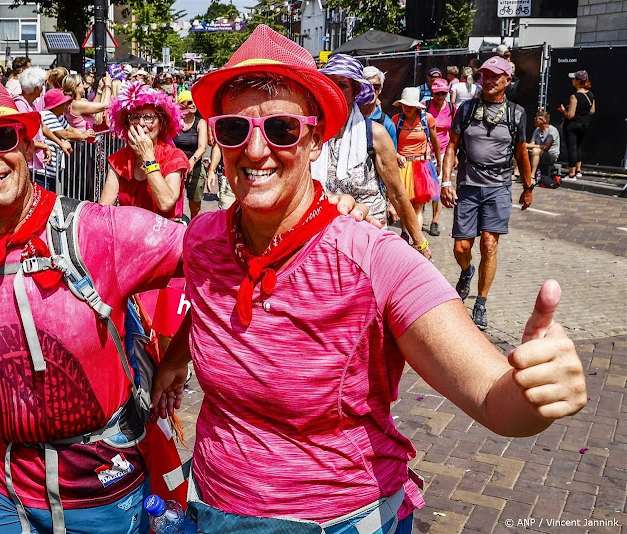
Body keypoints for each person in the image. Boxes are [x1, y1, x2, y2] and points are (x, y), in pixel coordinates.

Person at [151, 25, 587, 534]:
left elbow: (492, 397)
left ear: (316, 141)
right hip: (213, 508)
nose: (254, 150)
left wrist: (534, 394)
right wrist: (173, 362)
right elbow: (209, 308)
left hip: (335, 519)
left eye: (282, 130)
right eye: (232, 130)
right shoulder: (203, 240)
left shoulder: (373, 258)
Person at [0, 71, 191, 534]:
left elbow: (223, 257)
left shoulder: (99, 231)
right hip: (0, 489)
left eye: (1, 138)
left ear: (27, 145)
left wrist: (177, 359)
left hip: (102, 488)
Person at [441, 55, 532, 330]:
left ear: (507, 80)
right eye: (485, 75)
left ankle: (480, 304)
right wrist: (446, 182)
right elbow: (451, 147)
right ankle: (466, 271)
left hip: (498, 188)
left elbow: (521, 153)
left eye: (495, 76)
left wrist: (528, 187)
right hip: (468, 186)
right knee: (461, 247)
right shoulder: (467, 109)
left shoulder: (517, 114)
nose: (489, 80)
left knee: (489, 245)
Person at [314, 53, 430, 257]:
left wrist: (419, 242)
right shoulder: (313, 133)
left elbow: (397, 193)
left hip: (369, 236)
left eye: (342, 85)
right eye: (329, 84)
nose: (334, 91)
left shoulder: (374, 134)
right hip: (325, 238)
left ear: (356, 91)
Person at [99, 81, 188, 220]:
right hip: (129, 234)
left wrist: (147, 156)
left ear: (161, 123)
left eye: (148, 117)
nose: (141, 124)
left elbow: (166, 203)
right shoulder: (119, 159)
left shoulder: (174, 156)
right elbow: (104, 208)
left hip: (165, 235)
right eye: (135, 117)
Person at [391, 87, 441, 244]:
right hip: (402, 167)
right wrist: (396, 155)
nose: (406, 108)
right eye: (404, 105)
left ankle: (417, 241)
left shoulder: (428, 119)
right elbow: (391, 143)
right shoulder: (396, 120)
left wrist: (439, 162)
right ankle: (406, 232)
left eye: (410, 105)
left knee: (418, 206)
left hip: (422, 166)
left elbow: (435, 142)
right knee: (405, 204)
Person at [38, 88, 95, 191]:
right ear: (56, 106)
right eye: (63, 103)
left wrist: (87, 135)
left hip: (52, 169)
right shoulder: (46, 115)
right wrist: (82, 136)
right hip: (44, 169)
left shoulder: (58, 116)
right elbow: (63, 134)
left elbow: (70, 129)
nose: (65, 106)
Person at [423, 78, 457, 237]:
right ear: (432, 92)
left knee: (438, 187)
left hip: (444, 151)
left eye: (444, 93)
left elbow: (455, 133)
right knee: (423, 185)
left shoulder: (451, 108)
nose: (440, 96)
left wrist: (454, 154)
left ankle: (435, 220)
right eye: (437, 93)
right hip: (424, 151)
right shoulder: (425, 106)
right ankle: (419, 212)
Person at [171, 90, 208, 218]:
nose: (193, 105)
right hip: (175, 168)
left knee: (195, 206)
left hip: (195, 167)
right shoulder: (175, 121)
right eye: (190, 102)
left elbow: (202, 147)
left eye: (195, 102)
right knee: (173, 202)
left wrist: (191, 161)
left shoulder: (200, 122)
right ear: (182, 105)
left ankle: (195, 231)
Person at [14, 67, 54, 176]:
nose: (43, 88)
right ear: (36, 88)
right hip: (29, 164)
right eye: (42, 85)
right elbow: (24, 137)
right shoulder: (21, 106)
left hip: (34, 163)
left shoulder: (30, 104)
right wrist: (44, 146)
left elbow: (42, 126)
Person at [559, 70, 595, 181]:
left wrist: (563, 110)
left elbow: (570, 115)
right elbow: (592, 111)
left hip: (573, 125)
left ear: (578, 81)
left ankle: (571, 173)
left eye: (574, 79)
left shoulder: (574, 96)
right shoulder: (590, 94)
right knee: (578, 146)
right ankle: (578, 170)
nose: (572, 80)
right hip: (584, 124)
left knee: (572, 148)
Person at [361, 66, 397, 148]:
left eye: (376, 86)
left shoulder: (387, 124)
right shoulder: (349, 116)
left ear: (380, 89)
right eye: (367, 86)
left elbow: (391, 158)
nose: (372, 90)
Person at [526, 111, 559, 183]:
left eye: (536, 119)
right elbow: (532, 143)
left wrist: (529, 146)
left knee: (535, 150)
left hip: (550, 155)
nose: (534, 120)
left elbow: (546, 147)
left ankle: (532, 176)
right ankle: (518, 173)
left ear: (543, 121)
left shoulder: (552, 131)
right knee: (521, 149)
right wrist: (527, 146)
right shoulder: (537, 130)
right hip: (539, 153)